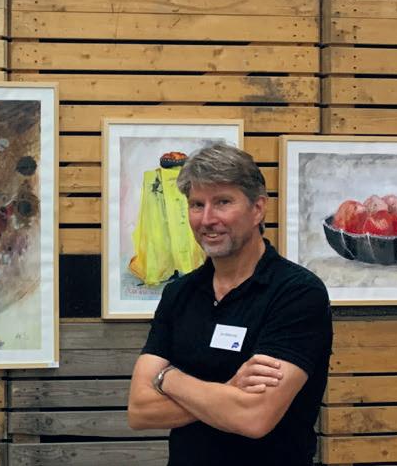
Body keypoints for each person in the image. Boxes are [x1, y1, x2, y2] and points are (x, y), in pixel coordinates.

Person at [126, 143, 332, 465]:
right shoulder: (179, 294)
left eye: (223, 202)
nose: (207, 219)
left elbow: (253, 418)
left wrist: (168, 379)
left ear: (257, 209)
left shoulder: (297, 293)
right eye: (197, 205)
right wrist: (228, 389)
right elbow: (140, 410)